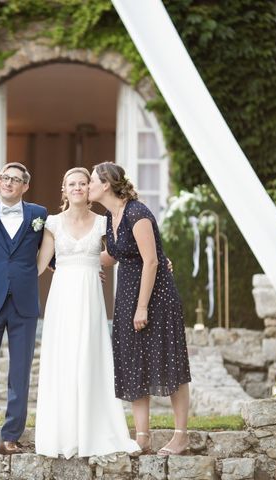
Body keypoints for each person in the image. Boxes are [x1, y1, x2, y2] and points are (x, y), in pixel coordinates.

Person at [34, 167, 141, 459]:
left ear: (89, 188)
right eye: (72, 183)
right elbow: (41, 264)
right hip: (62, 297)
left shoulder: (104, 222)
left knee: (91, 357)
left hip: (90, 297)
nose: (79, 187)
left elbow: (123, 251)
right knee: (64, 358)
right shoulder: (53, 223)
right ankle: (64, 432)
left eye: (83, 182)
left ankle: (95, 429)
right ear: (64, 189)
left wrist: (158, 258)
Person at [89, 162, 192, 456]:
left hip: (155, 298)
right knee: (134, 364)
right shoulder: (112, 216)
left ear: (106, 184)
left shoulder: (137, 212)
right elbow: (114, 254)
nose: (89, 185)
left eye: (93, 180)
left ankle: (181, 436)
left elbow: (152, 261)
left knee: (171, 363)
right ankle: (143, 437)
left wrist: (142, 307)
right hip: (126, 296)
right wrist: (80, 262)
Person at [0, 162, 48, 456]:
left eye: (16, 179)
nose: (8, 183)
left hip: (24, 303)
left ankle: (11, 435)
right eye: (5, 178)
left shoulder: (39, 215)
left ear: (25, 186)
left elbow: (51, 249)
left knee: (20, 371)